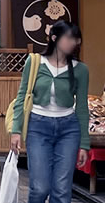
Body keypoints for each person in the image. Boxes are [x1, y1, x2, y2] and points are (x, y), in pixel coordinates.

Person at [11, 21, 89, 203]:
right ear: (55, 38)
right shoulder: (35, 62)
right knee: (39, 188)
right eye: (69, 38)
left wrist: (84, 144)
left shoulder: (80, 70)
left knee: (62, 191)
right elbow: (22, 96)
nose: (74, 42)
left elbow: (83, 108)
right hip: (38, 127)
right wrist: (16, 130)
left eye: (76, 39)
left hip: (68, 129)